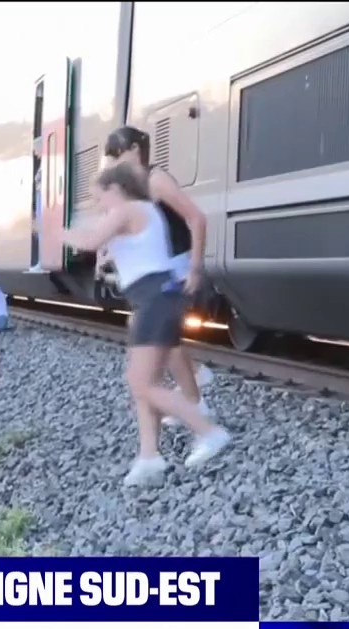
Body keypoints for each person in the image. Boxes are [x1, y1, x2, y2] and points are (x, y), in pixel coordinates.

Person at [59, 162, 232, 486]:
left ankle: (208, 431)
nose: (99, 205)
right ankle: (149, 457)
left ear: (116, 189)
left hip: (153, 300)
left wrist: (54, 230)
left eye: (100, 197)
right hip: (155, 298)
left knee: (143, 384)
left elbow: (89, 241)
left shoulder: (127, 209)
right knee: (144, 381)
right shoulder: (144, 210)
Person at [105, 126, 215, 425]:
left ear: (135, 150)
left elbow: (197, 218)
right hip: (159, 268)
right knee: (159, 335)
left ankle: (195, 403)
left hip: (176, 264)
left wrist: (195, 267)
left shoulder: (156, 180)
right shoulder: (136, 185)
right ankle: (194, 383)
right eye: (111, 157)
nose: (114, 162)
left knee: (161, 336)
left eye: (117, 154)